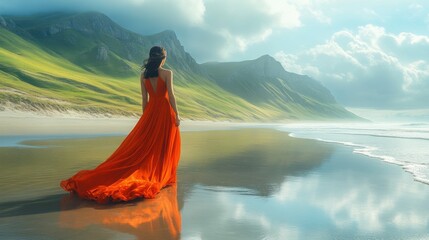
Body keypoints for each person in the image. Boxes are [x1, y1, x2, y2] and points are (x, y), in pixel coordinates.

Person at [60, 46, 181, 204]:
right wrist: (177, 114)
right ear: (162, 58)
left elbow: (145, 100)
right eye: (165, 57)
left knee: (145, 147)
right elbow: (171, 95)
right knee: (163, 145)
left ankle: (154, 173)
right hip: (165, 113)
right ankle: (160, 174)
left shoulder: (143, 76)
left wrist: (145, 119)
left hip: (150, 112)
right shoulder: (167, 73)